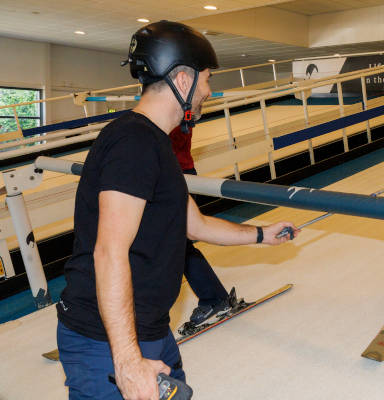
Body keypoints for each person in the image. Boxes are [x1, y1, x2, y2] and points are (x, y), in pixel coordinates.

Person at [56, 20, 299, 400]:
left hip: (149, 327)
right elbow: (109, 251)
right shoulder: (134, 143)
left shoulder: (156, 145)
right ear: (182, 81)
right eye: (206, 79)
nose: (209, 90)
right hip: (105, 341)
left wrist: (261, 234)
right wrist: (127, 362)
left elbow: (195, 225)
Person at [168, 124, 238, 333]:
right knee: (174, 244)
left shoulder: (181, 112)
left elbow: (175, 139)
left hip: (179, 177)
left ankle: (214, 298)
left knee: (179, 244)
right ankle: (214, 297)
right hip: (166, 177)